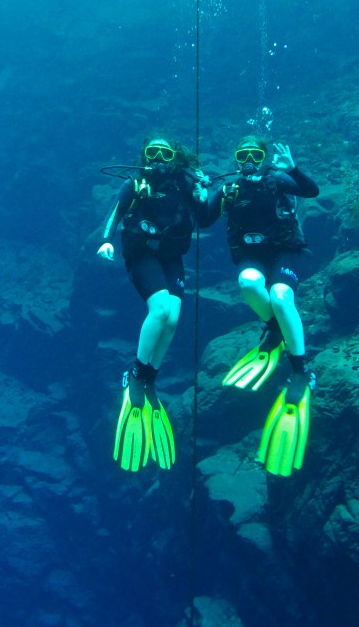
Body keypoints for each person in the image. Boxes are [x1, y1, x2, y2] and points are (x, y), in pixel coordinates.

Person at [206, 137, 320, 476]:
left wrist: (293, 168)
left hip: (286, 250)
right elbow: (205, 219)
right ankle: (274, 328)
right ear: (237, 160)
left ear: (264, 158)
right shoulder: (231, 189)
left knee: (282, 296)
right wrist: (202, 194)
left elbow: (311, 191)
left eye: (256, 155)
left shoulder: (277, 180)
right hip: (254, 256)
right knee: (249, 285)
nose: (250, 161)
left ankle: (301, 372)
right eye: (243, 156)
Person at [98, 136, 209, 472]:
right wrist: (105, 241)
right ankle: (134, 375)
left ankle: (149, 378)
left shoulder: (184, 183)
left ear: (174, 158)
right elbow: (115, 213)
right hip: (142, 254)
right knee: (160, 309)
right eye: (153, 153)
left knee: (173, 319)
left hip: (172, 258)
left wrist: (204, 196)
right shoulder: (136, 184)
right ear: (144, 156)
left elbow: (204, 219)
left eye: (165, 154)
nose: (159, 159)